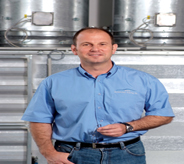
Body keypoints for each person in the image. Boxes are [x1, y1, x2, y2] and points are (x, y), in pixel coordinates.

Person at [22, 27, 174, 164]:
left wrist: (128, 127)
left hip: (127, 154)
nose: (95, 49)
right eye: (87, 44)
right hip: (72, 155)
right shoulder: (53, 82)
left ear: (113, 48)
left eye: (102, 44)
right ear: (74, 49)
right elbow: (38, 119)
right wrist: (49, 153)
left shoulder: (144, 80)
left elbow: (163, 115)